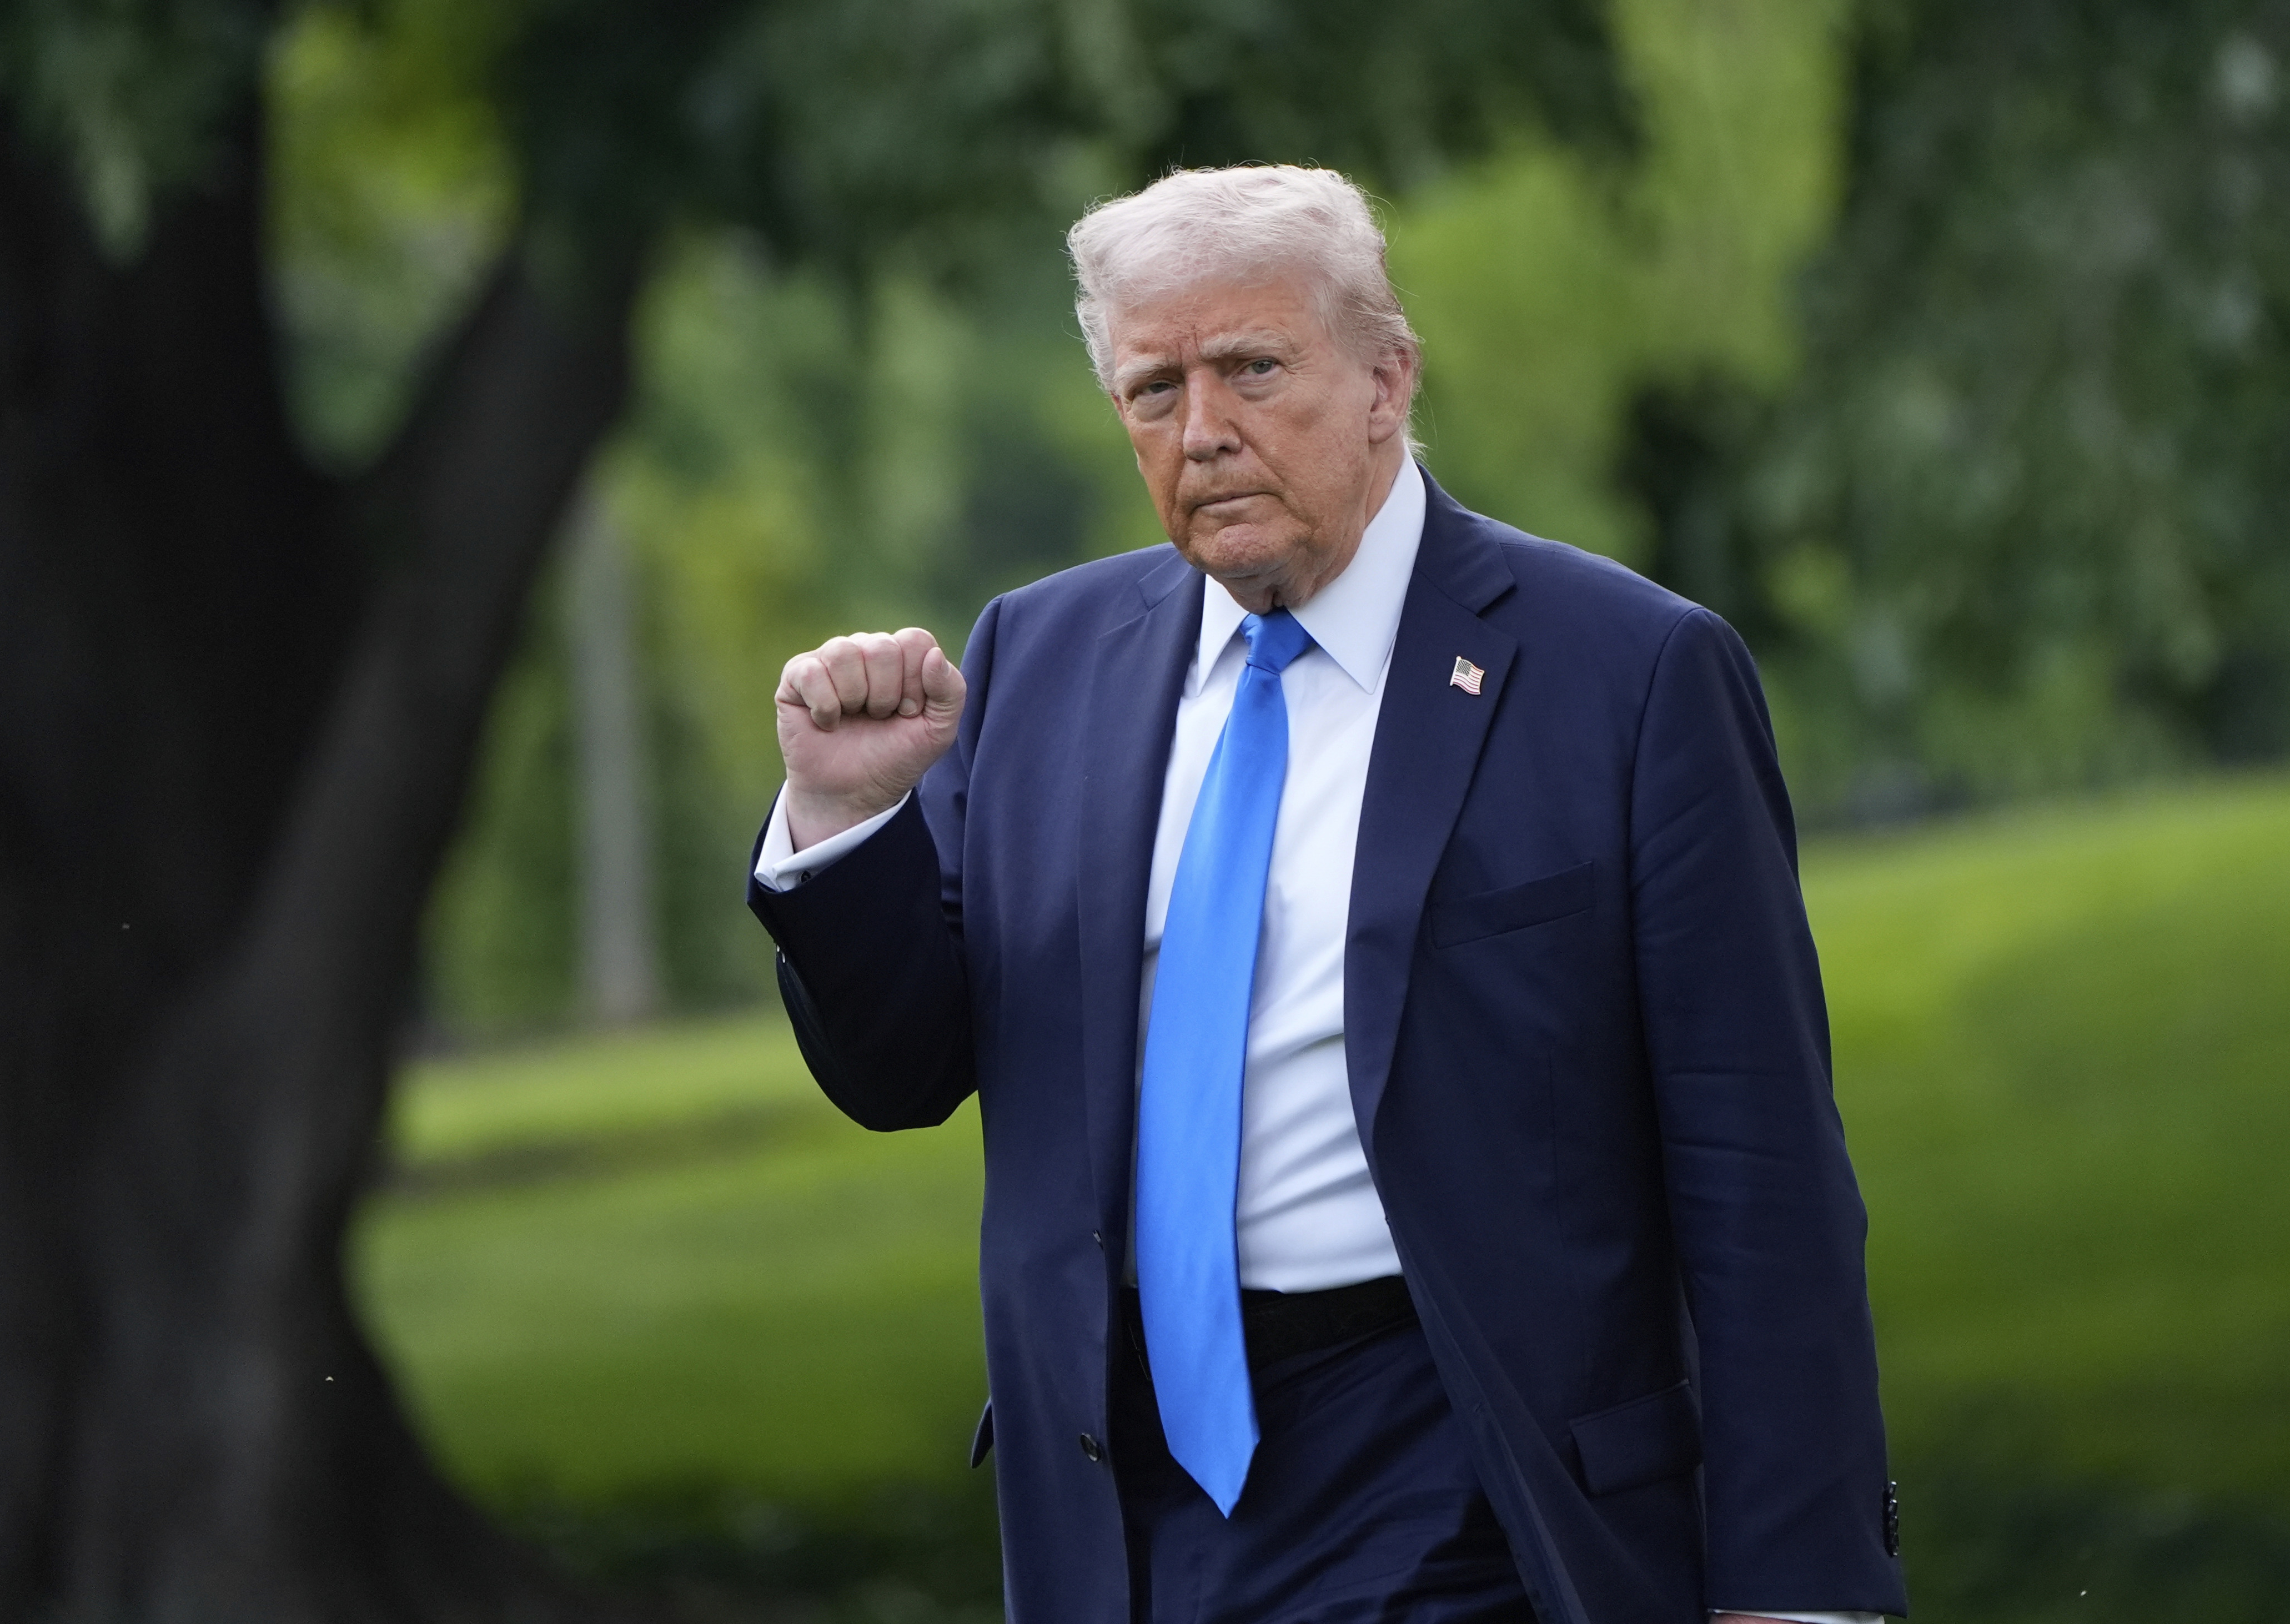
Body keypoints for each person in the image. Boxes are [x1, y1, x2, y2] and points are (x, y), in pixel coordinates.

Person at [747, 166, 1903, 1624]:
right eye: (1151, 388)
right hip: (1124, 1508)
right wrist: (848, 819)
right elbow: (897, 1069)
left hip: (1468, 1473)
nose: (1204, 431)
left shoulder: (1624, 673)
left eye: (1252, 368)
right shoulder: (1037, 660)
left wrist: (1798, 1587)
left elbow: (1760, 1169)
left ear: (1384, 378)